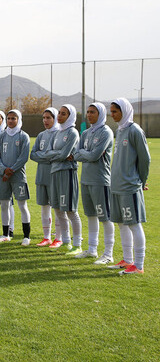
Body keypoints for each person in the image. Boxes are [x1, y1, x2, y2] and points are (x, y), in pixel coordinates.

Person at [107, 98, 150, 275]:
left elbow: (145, 159)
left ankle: (138, 265)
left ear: (124, 111)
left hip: (129, 186)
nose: (112, 114)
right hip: (116, 185)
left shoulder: (134, 130)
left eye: (115, 111)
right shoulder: (120, 130)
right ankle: (127, 259)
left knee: (133, 224)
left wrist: (140, 180)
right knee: (121, 223)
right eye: (111, 111)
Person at [72, 103, 115, 262]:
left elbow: (95, 155)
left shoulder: (106, 132)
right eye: (88, 112)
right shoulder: (86, 132)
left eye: (93, 112)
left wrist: (85, 153)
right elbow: (76, 155)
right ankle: (92, 249)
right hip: (85, 179)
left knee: (105, 217)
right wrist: (86, 153)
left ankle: (108, 254)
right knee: (90, 216)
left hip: (100, 180)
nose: (89, 115)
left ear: (101, 114)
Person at [43, 104, 82, 254]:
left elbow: (64, 154)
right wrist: (55, 154)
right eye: (59, 113)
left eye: (63, 114)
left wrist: (54, 154)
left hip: (67, 172)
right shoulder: (57, 133)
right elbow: (48, 152)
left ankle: (77, 245)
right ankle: (66, 242)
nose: (59, 116)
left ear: (70, 116)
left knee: (70, 210)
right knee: (58, 209)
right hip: (54, 172)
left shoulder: (73, 133)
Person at [0, 110, 31, 245]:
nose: (10, 121)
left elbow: (23, 157)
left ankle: (26, 236)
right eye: (8, 118)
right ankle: (5, 234)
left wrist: (11, 171)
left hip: (18, 176)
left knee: (22, 205)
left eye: (13, 118)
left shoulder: (24, 136)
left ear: (18, 119)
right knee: (4, 205)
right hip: (3, 176)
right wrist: (4, 170)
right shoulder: (2, 136)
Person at [29, 107, 61, 247]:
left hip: (54, 176)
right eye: (44, 118)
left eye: (49, 117)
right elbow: (33, 154)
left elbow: (57, 155)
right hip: (41, 175)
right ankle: (46, 237)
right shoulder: (41, 135)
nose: (45, 120)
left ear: (55, 118)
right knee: (44, 206)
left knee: (57, 207)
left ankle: (58, 238)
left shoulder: (60, 134)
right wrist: (46, 156)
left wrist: (44, 156)